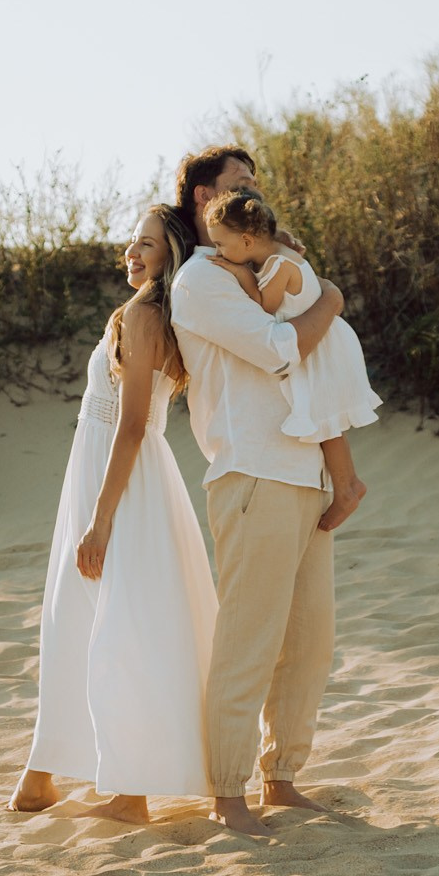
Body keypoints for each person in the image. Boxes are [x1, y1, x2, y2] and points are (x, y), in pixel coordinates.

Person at [169, 145, 356, 838]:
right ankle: (228, 791)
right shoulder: (200, 281)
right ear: (203, 200)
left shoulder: (261, 271)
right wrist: (332, 298)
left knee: (310, 639)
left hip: (302, 471)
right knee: (249, 639)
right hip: (251, 473)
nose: (255, 196)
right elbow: (283, 346)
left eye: (255, 183)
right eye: (238, 184)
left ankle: (283, 776)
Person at [10, 205, 218, 824]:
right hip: (110, 474)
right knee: (88, 614)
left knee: (114, 619)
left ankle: (128, 793)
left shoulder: (146, 314)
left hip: (122, 482)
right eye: (131, 242)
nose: (132, 252)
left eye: (148, 245)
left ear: (171, 256)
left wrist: (100, 520)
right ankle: (45, 772)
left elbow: (130, 427)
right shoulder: (148, 314)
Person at [199, 186, 379, 530]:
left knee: (327, 422)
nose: (218, 250)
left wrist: (239, 274)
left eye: (222, 243)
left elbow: (264, 309)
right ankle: (347, 484)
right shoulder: (276, 253)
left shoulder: (279, 264)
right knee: (325, 422)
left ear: (248, 241)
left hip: (322, 347)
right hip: (322, 340)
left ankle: (348, 487)